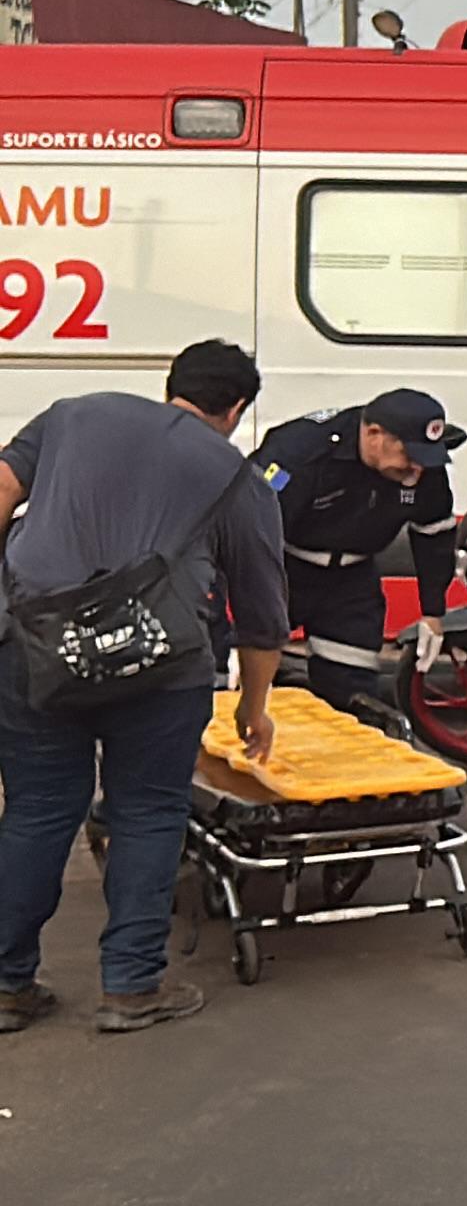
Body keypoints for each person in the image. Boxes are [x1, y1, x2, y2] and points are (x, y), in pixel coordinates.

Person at [0, 341, 290, 1035]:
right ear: (237, 408)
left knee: (39, 809)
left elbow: (3, 491)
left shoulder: (71, 415)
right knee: (148, 812)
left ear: (172, 385)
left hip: (34, 648)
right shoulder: (235, 476)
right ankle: (130, 988)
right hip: (159, 670)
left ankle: (7, 987)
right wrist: (254, 711)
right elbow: (261, 617)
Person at [249, 389, 464, 717]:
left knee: (352, 697)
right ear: (374, 435)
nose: (416, 470)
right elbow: (250, 535)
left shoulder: (421, 467)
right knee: (245, 682)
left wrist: (433, 612)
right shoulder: (302, 452)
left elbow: (433, 535)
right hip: (284, 571)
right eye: (409, 455)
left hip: (351, 582)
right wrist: (247, 622)